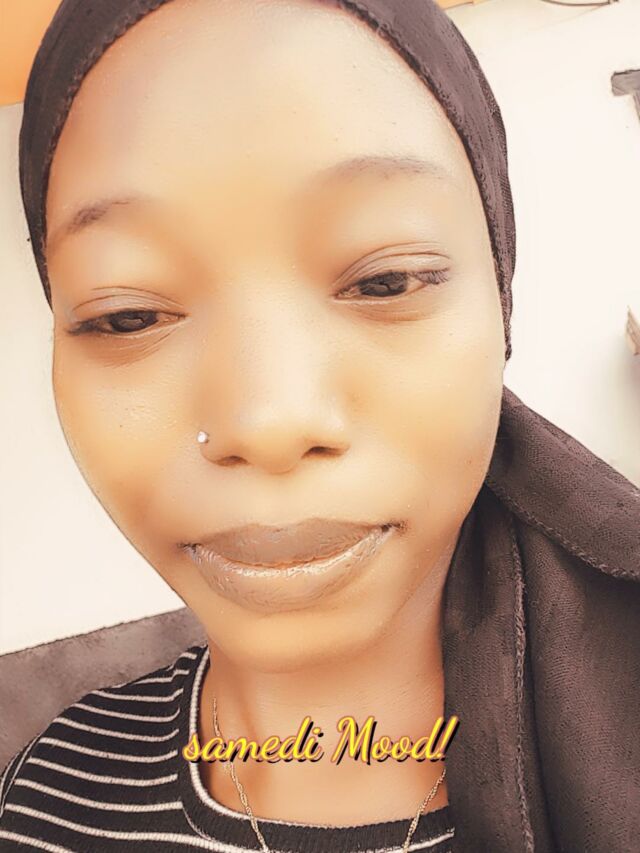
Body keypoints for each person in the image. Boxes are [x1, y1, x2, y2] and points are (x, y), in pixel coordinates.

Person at [1, 0, 638, 851]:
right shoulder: (45, 799)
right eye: (128, 315)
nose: (268, 421)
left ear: (500, 305)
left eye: (385, 281)